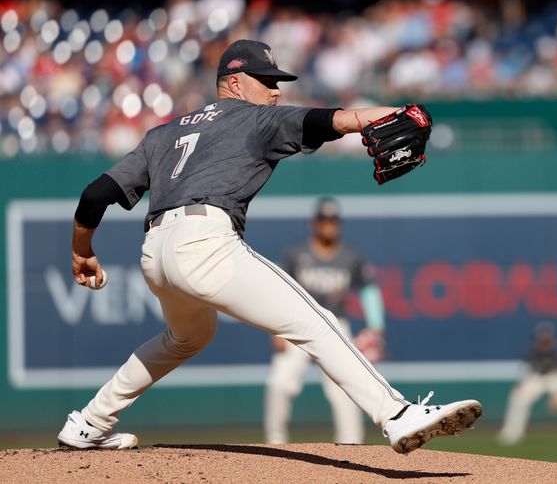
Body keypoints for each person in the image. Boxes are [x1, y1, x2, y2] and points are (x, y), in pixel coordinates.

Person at [56, 39, 482, 454]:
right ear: (235, 82)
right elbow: (333, 121)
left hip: (156, 252)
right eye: (266, 79)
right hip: (205, 242)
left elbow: (96, 194)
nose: (276, 90)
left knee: (187, 337)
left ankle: (90, 422)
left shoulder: (163, 134)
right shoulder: (252, 119)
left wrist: (82, 250)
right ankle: (397, 414)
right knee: (316, 322)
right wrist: (396, 113)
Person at [265, 196, 386, 444]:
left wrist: (376, 327)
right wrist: (274, 330)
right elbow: (278, 290)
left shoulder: (350, 255)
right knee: (279, 383)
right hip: (296, 323)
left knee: (344, 388)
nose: (328, 225)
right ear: (314, 223)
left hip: (335, 325)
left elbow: (369, 290)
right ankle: (274, 441)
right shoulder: (297, 253)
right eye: (324, 220)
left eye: (332, 220)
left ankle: (351, 445)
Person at [497, 322, 557, 445]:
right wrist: (521, 384)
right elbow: (525, 369)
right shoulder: (531, 350)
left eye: (547, 337)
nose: (545, 339)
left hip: (556, 377)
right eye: (542, 337)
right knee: (518, 397)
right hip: (536, 378)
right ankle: (511, 434)